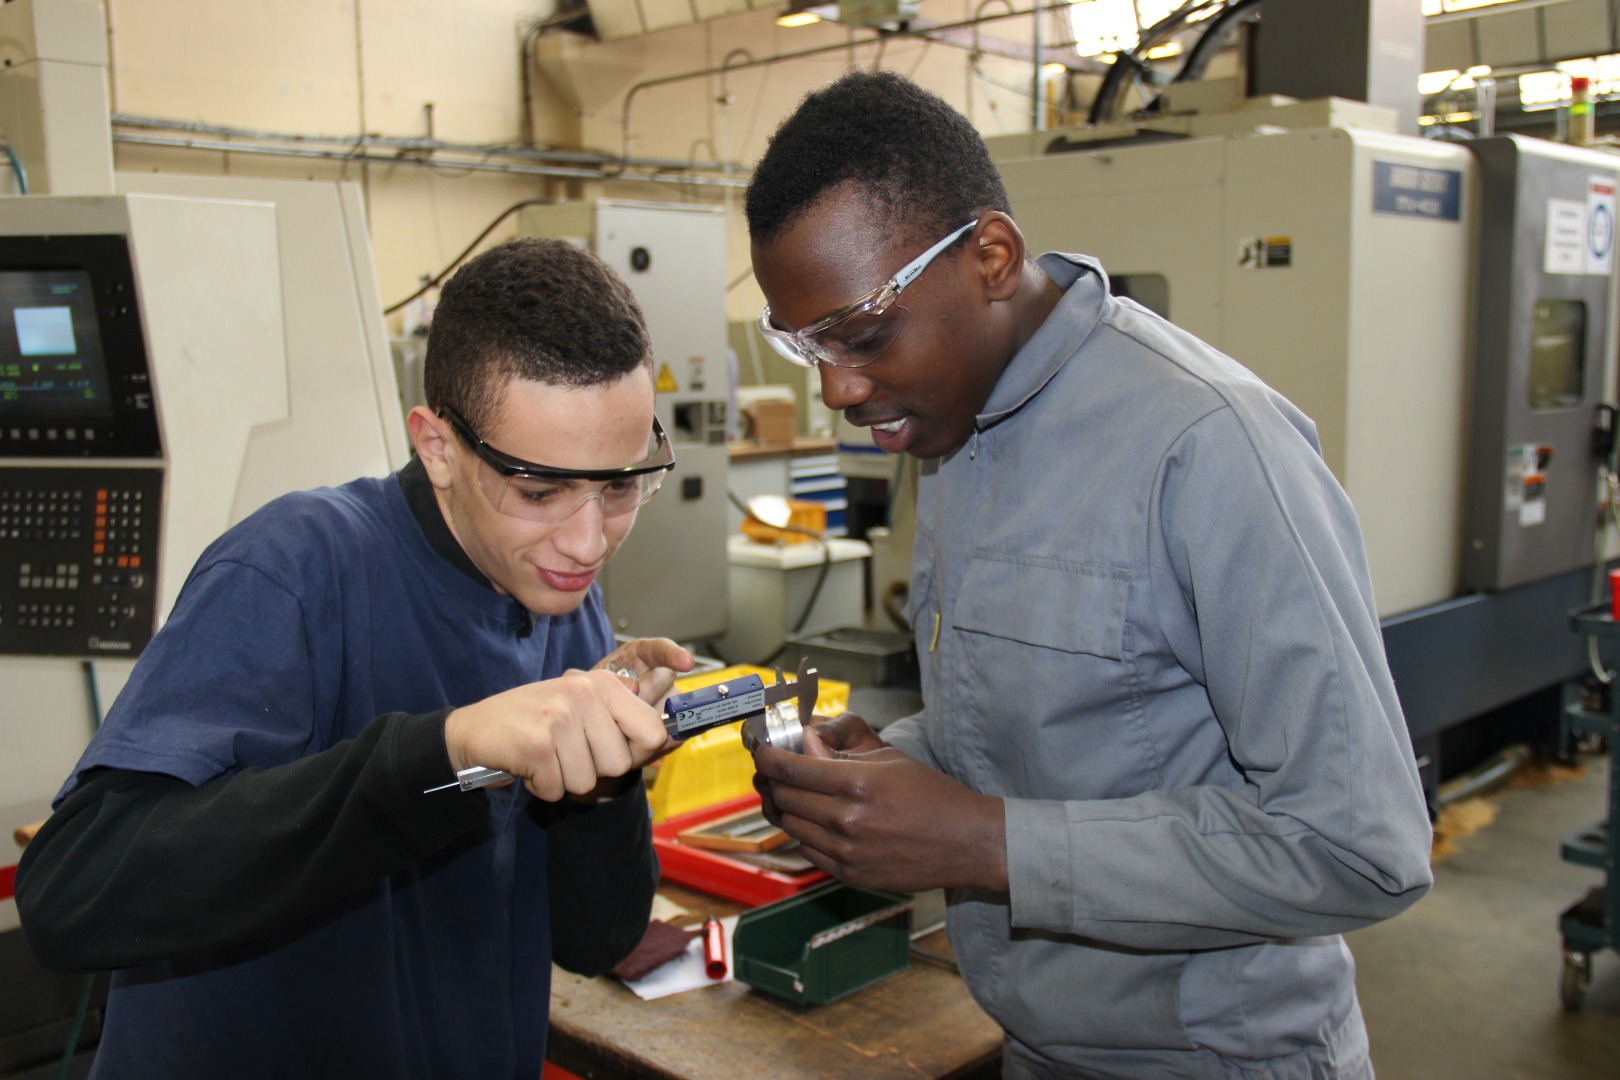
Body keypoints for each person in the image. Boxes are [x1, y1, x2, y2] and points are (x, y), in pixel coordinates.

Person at [746, 71, 1433, 1079]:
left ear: (990, 257)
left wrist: (987, 846)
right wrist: (884, 767)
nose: (838, 388)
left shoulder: (1209, 448)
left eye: (863, 333)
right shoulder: (954, 434)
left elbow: (1361, 848)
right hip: (1032, 1046)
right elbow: (1068, 728)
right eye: (806, 344)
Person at [15, 237, 693, 1078]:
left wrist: (606, 779)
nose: (591, 540)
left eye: (621, 485)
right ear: (437, 445)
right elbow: (73, 893)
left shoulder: (558, 588)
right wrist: (443, 754)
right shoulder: (294, 571)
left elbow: (597, 938)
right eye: (539, 491)